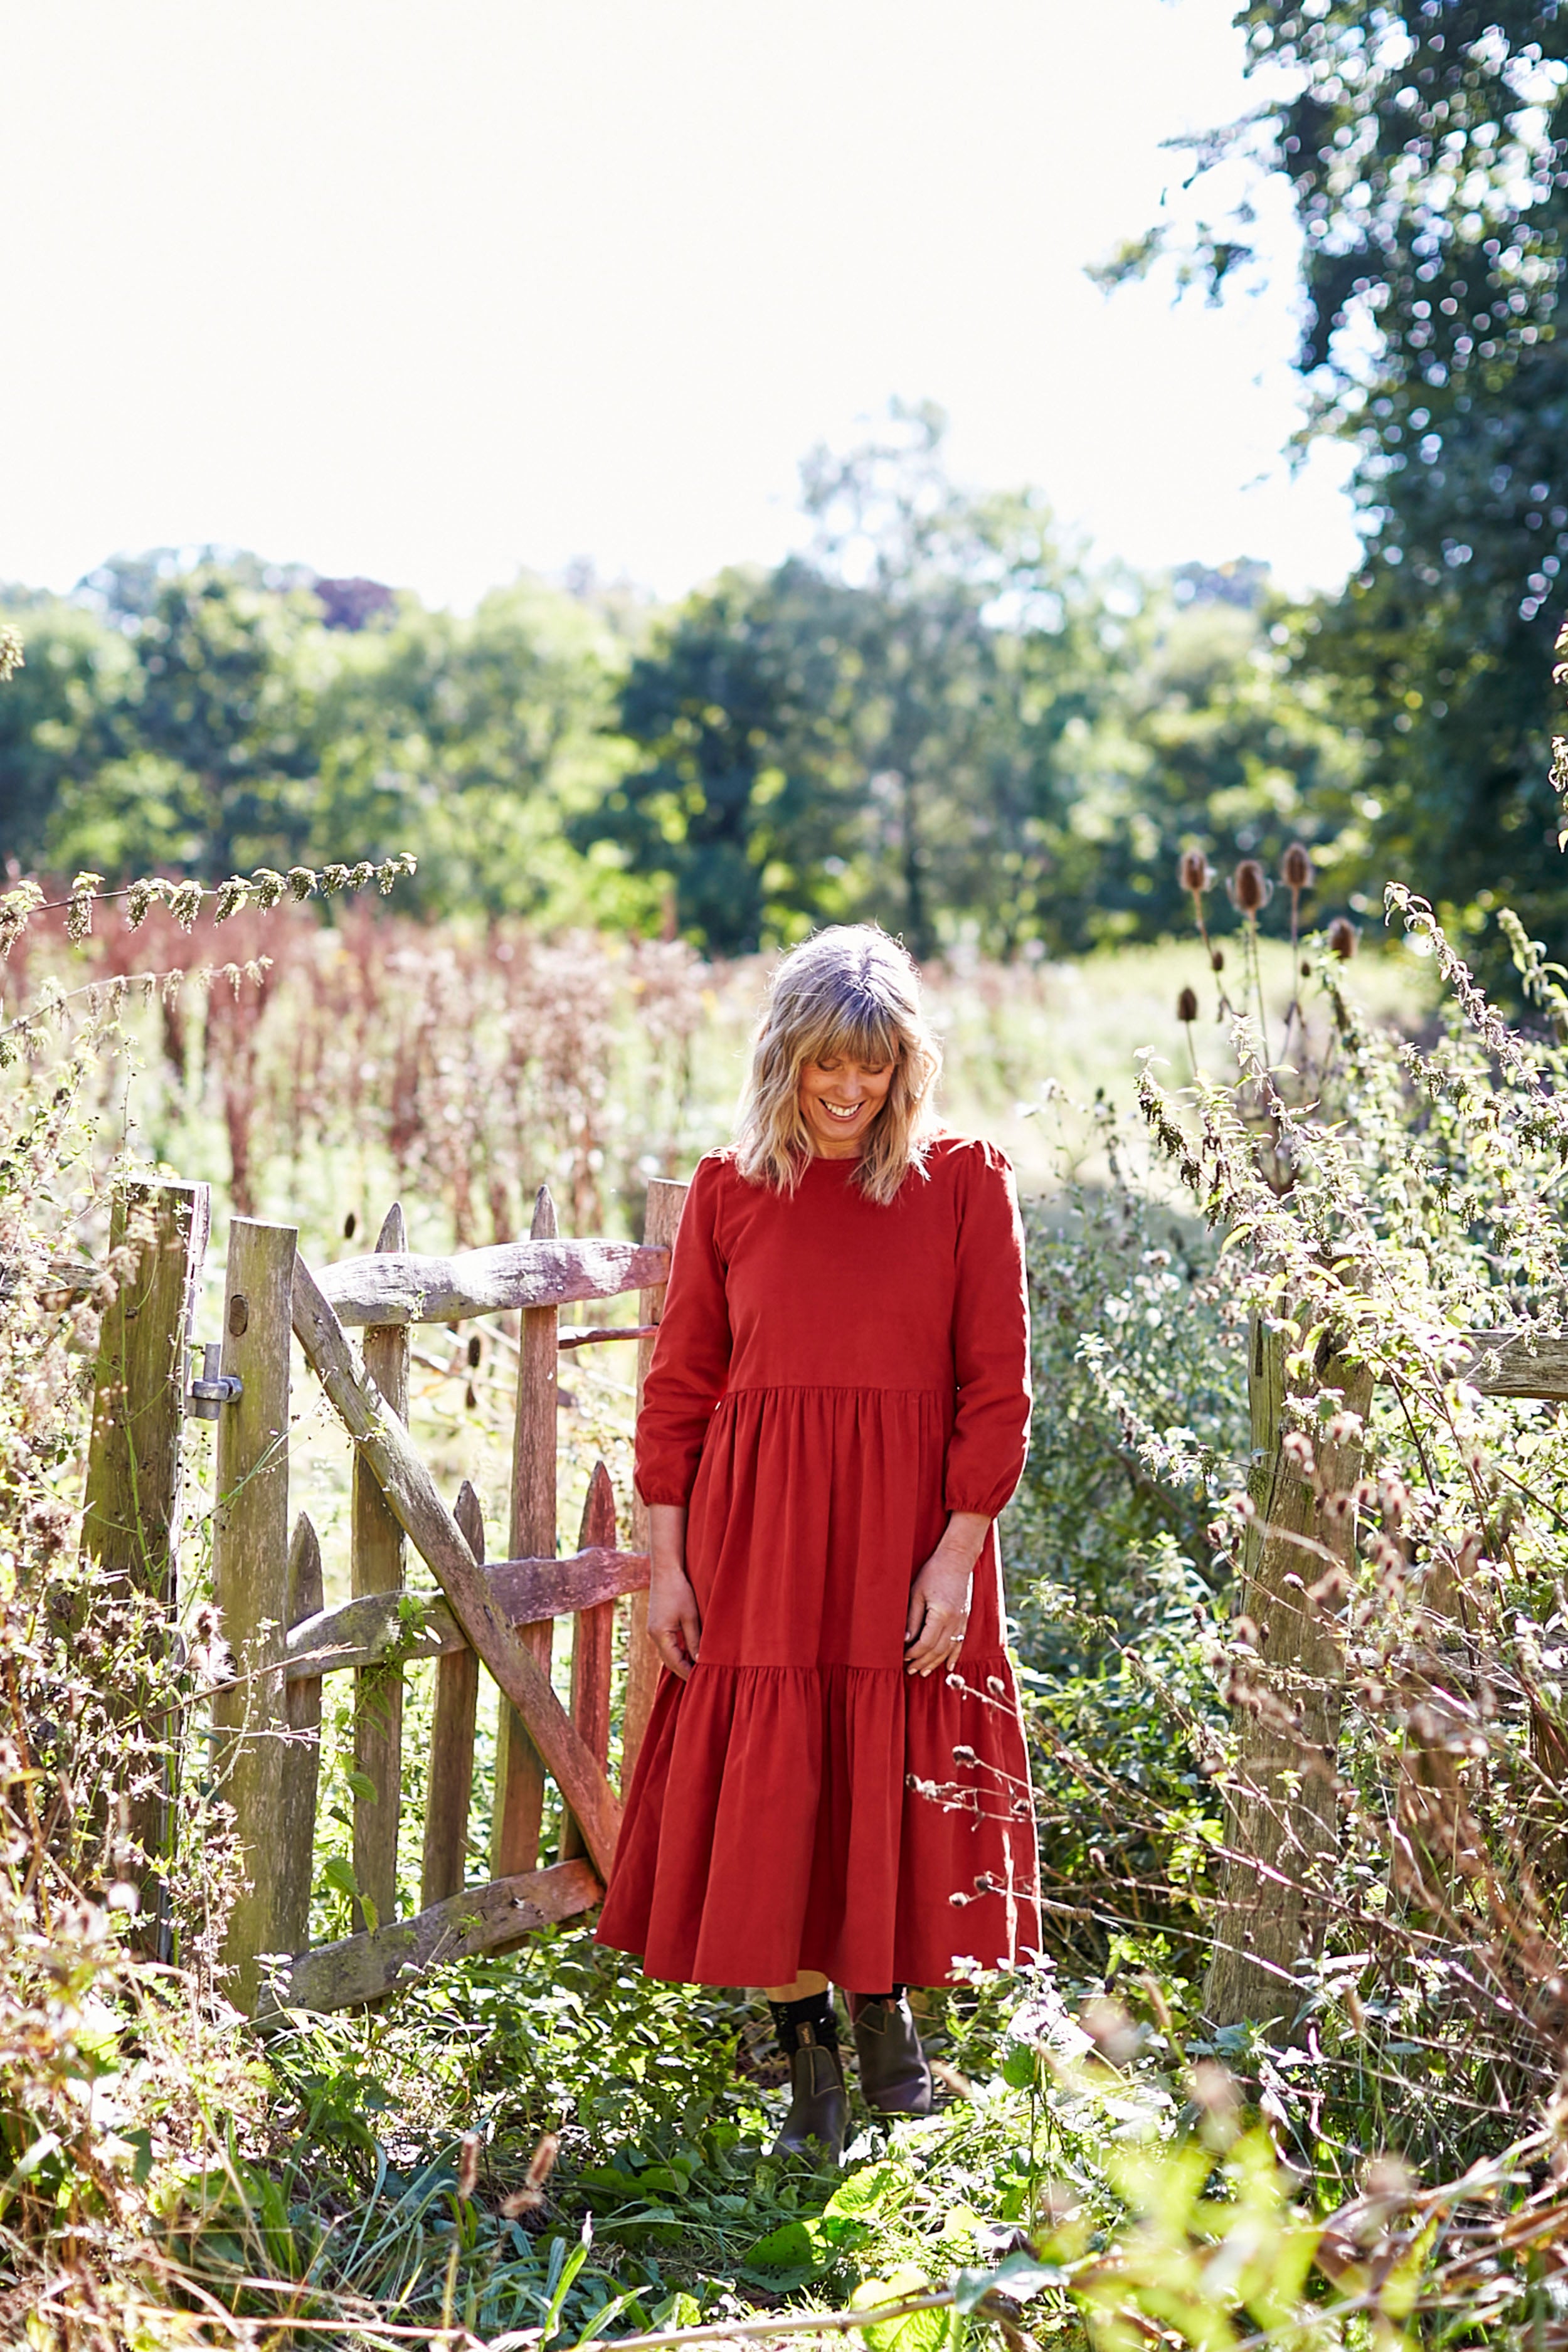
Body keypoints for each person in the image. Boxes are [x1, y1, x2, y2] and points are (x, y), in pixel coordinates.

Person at [596, 924, 1039, 2161]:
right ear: (780, 1059)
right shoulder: (729, 1193)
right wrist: (667, 1561)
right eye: (823, 1068)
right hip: (759, 1541)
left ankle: (887, 2017)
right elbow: (679, 1385)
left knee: (878, 1769)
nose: (849, 1093)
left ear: (907, 1068)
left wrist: (954, 1556)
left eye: (875, 1069)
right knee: (778, 1788)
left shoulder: (963, 1181)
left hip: (905, 1534)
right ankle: (812, 2070)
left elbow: (995, 1387)